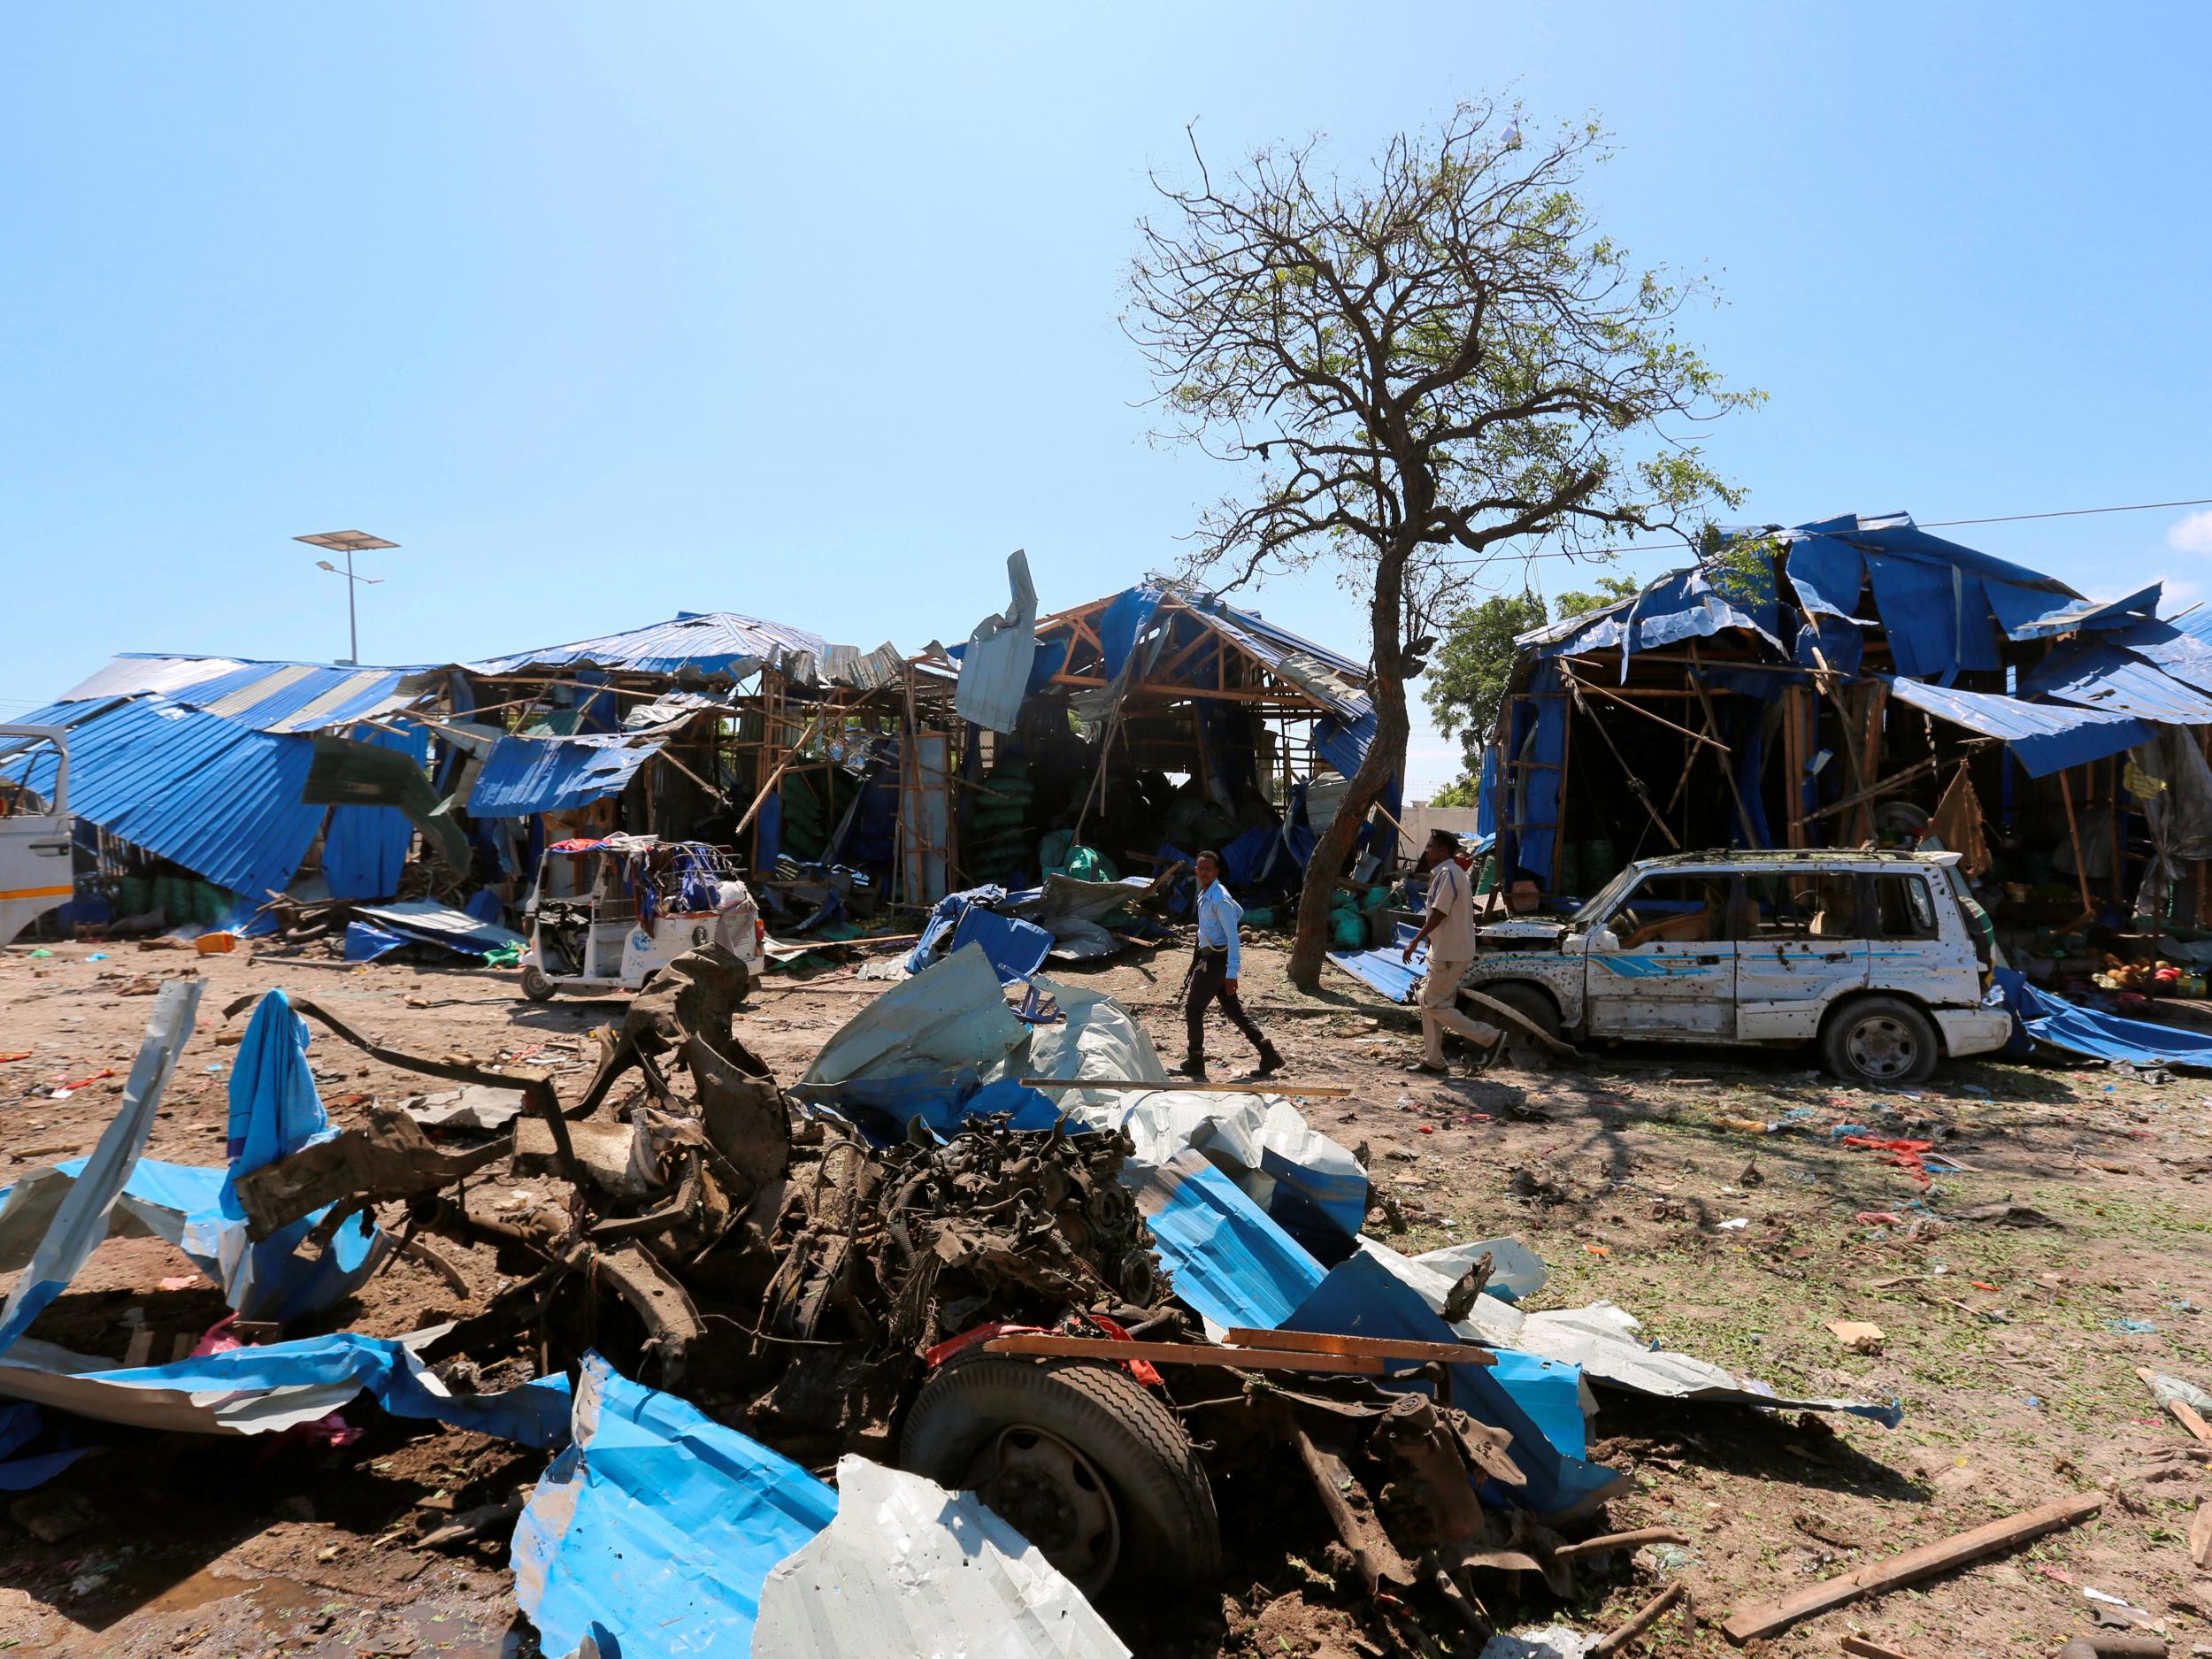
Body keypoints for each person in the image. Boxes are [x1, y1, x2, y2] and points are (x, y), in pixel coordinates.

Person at [1178, 849, 1285, 1082]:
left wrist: (1231, 973)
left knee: (1193, 1009)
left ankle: (1196, 1061)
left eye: (1208, 868)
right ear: (1196, 870)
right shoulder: (1205, 894)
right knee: (1233, 1009)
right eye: (1200, 868)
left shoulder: (1220, 898)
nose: (1203, 872)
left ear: (1216, 872)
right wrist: (1195, 960)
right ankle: (1268, 1054)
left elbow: (1234, 937)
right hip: (1209, 959)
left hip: (1217, 962)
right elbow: (1236, 914)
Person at [1402, 828, 1502, 1075]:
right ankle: (1434, 1060)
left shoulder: (1448, 873)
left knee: (1433, 1003)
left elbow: (1439, 912)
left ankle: (1490, 1037)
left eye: (1430, 846)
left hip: (1449, 953)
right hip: (1447, 948)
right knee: (1430, 1002)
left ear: (1443, 851)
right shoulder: (1451, 873)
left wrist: (1415, 939)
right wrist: (1431, 939)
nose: (1426, 850)